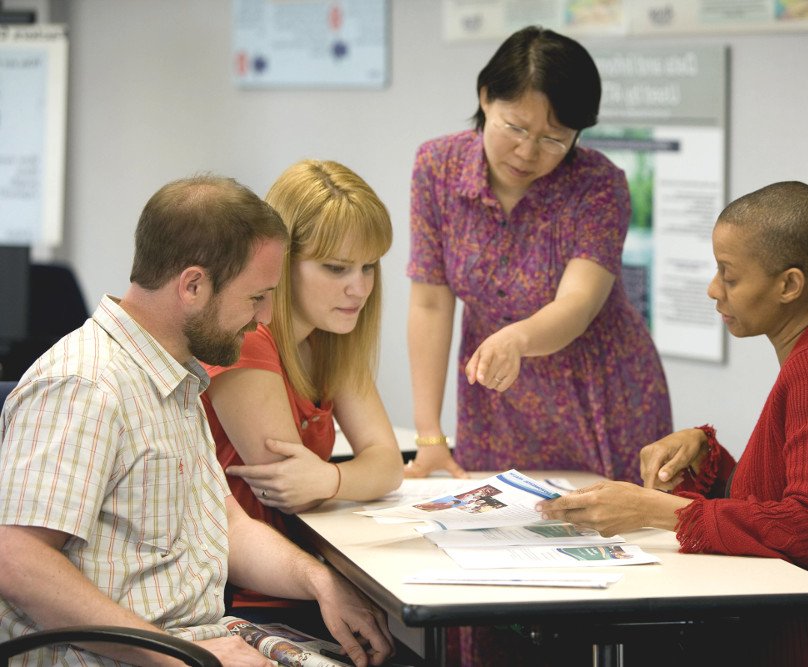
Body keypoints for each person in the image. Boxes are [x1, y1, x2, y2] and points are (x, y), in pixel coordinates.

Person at [538, 181, 808, 666]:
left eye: (728, 276)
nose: (713, 289)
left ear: (789, 285)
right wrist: (705, 453)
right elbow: (778, 494)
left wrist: (656, 510)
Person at [0, 176, 393, 667]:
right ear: (192, 285)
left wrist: (320, 580)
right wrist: (181, 656)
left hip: (197, 640)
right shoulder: (86, 383)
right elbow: (16, 561)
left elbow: (226, 525)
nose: (266, 316)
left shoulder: (175, 377)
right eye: (256, 298)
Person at [406, 25, 672, 485]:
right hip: (497, 399)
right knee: (494, 530)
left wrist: (517, 339)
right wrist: (430, 434)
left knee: (611, 538)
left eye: (554, 138)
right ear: (486, 97)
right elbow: (430, 303)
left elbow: (578, 304)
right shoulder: (437, 167)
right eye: (515, 127)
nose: (527, 152)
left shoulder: (597, 186)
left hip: (600, 395)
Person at [200, 159, 404, 618]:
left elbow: (388, 465)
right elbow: (292, 491)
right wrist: (348, 480)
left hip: (305, 574)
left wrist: (331, 477)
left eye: (369, 267)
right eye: (336, 268)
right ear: (282, 264)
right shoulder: (246, 339)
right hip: (244, 591)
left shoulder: (331, 339)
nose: (359, 288)